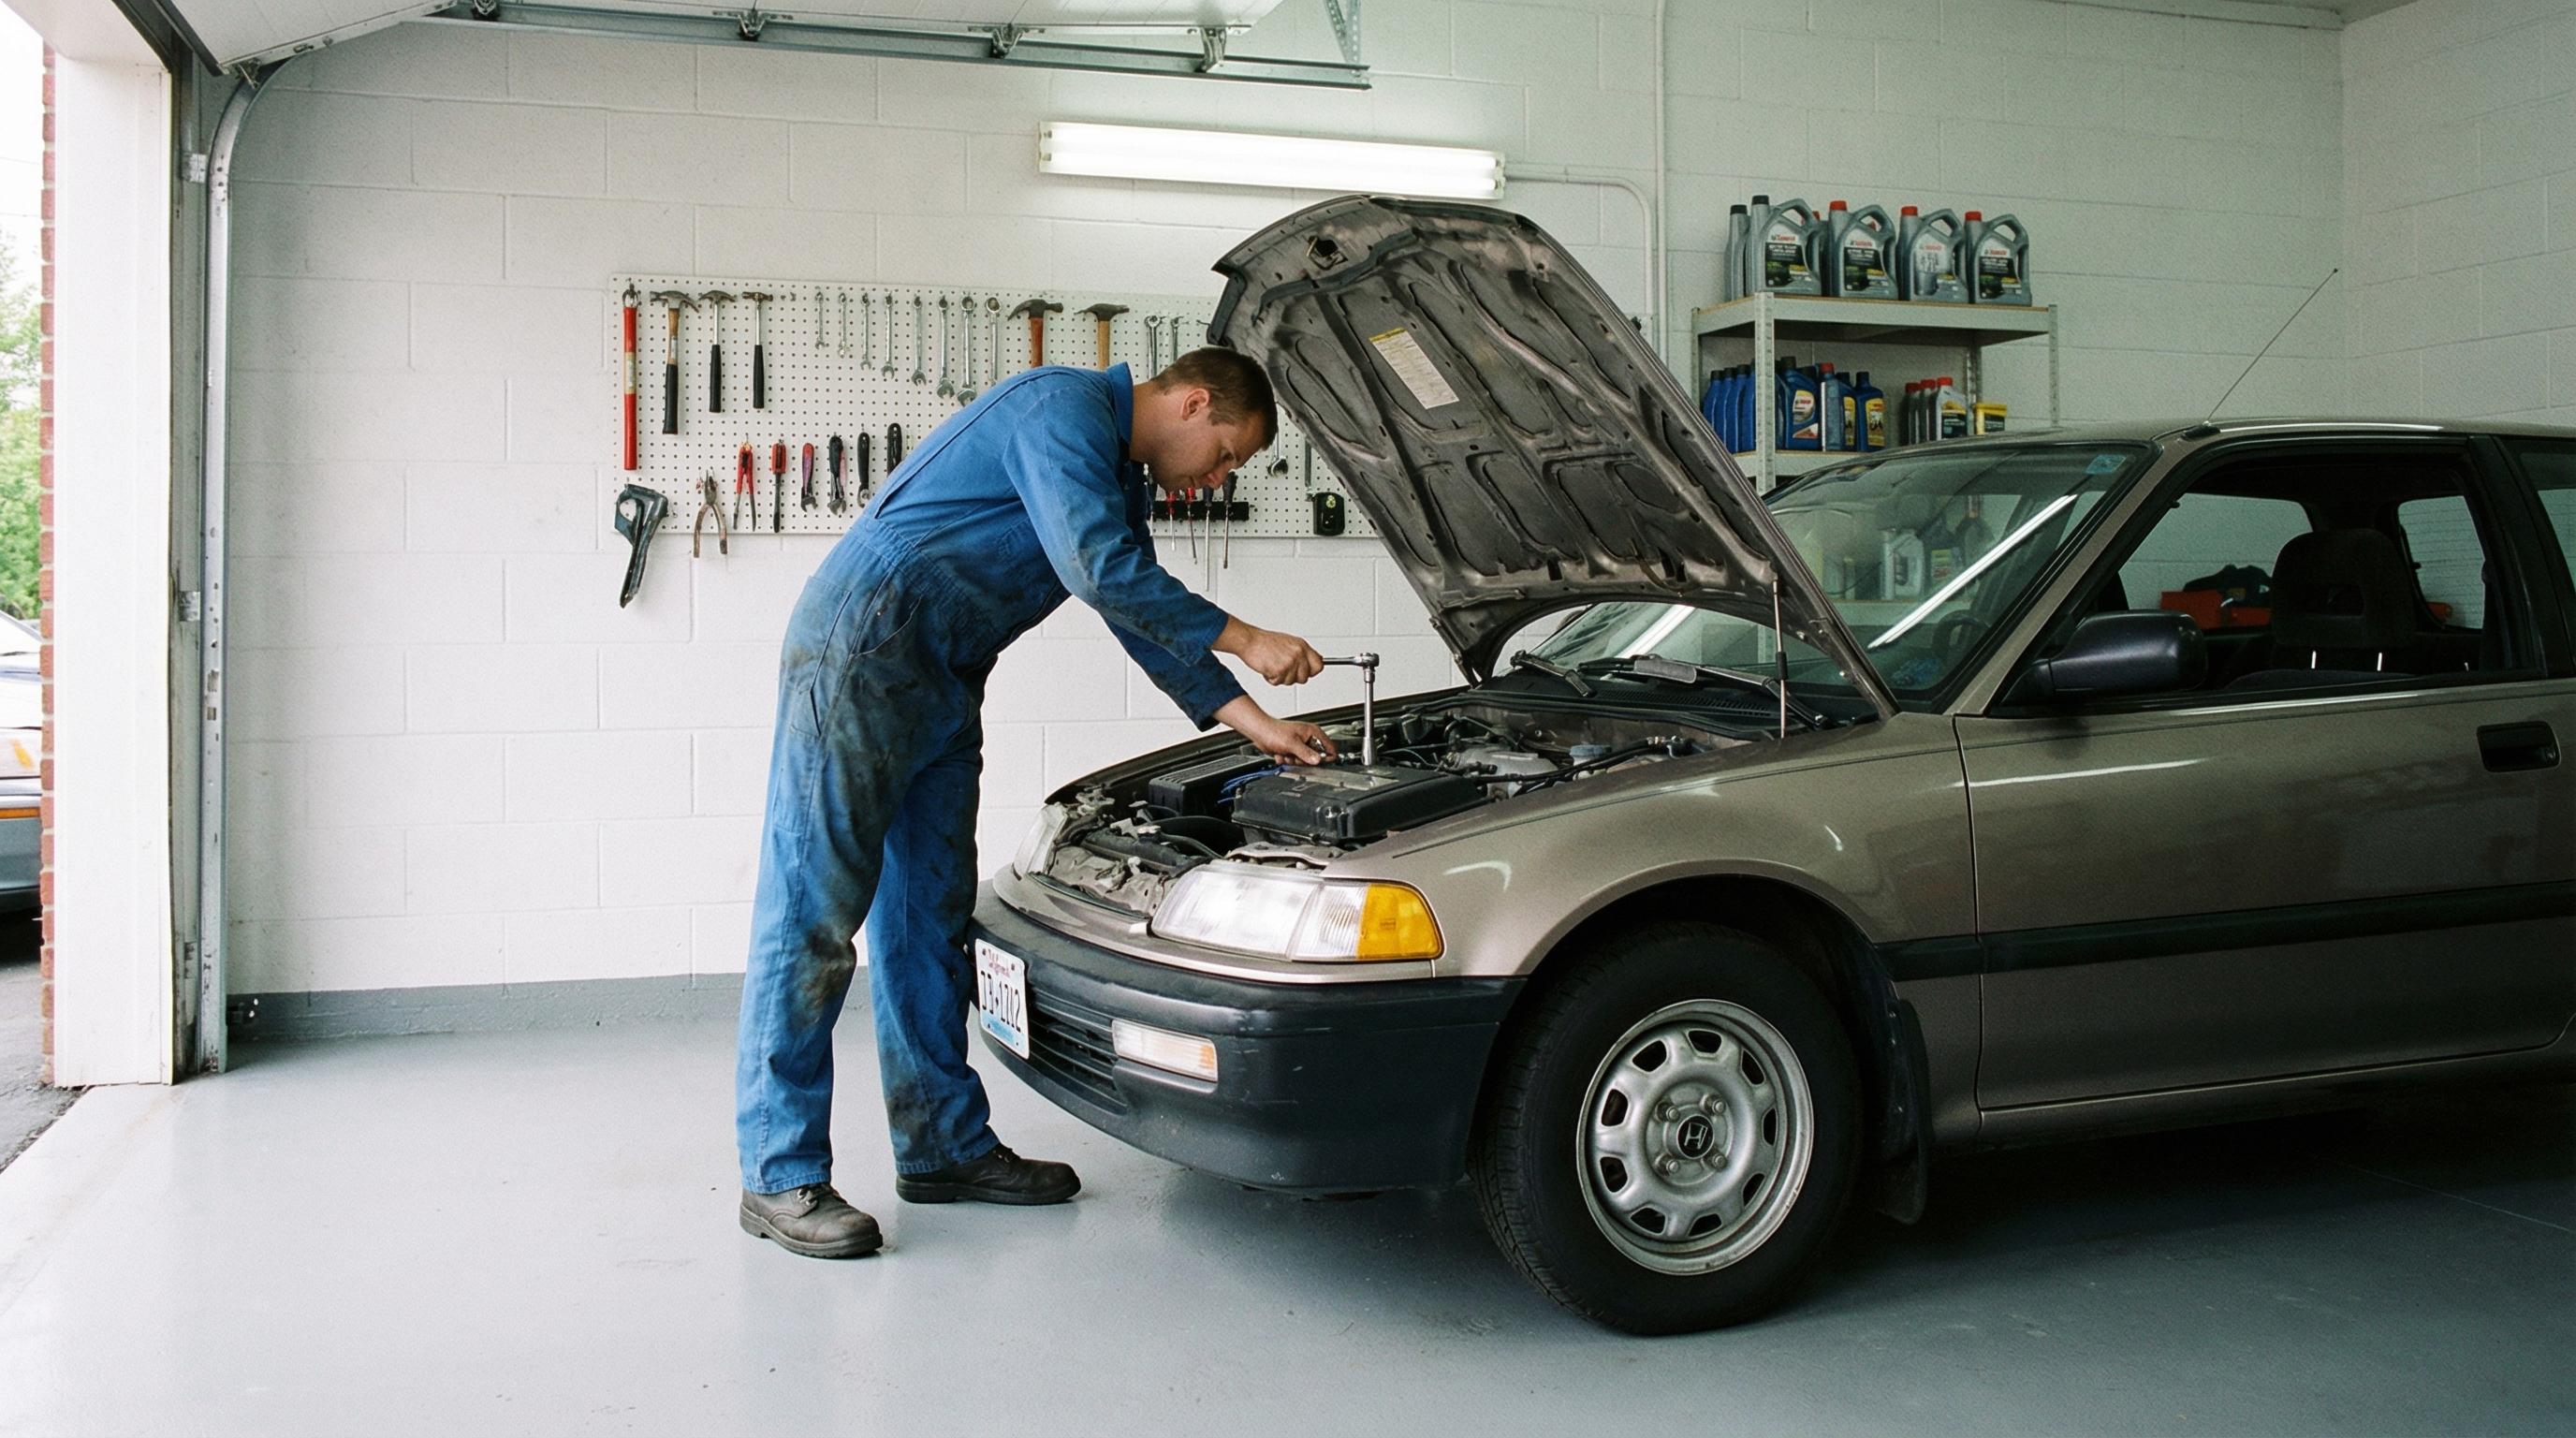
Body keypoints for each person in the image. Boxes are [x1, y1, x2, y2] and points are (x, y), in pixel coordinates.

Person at [735, 346, 1338, 1259]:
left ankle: (940, 1146)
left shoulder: (1116, 477)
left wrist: (1255, 724)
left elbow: (1136, 612)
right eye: (1225, 454)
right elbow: (1098, 569)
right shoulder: (1057, 409)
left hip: (943, 672)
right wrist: (1246, 636)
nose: (1219, 476)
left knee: (928, 915)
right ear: (1192, 400)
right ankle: (778, 1174)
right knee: (815, 912)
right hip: (863, 648)